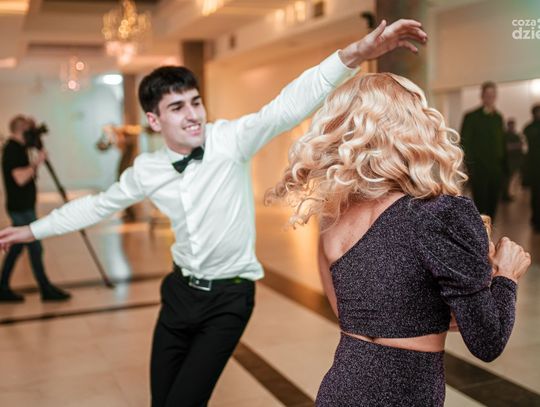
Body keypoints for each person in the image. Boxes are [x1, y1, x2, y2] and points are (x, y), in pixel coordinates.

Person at [0, 19, 428, 406]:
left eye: (195, 102)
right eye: (177, 108)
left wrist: (355, 54)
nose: (192, 116)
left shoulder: (229, 141)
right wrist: (32, 230)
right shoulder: (146, 169)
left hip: (229, 299)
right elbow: (98, 205)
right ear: (154, 120)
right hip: (178, 294)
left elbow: (288, 105)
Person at [266, 73, 531, 406]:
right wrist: (506, 276)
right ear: (415, 128)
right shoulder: (440, 213)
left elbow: (363, 314)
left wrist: (437, 311)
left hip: (341, 389)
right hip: (405, 396)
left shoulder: (332, 216)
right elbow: (488, 342)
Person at [0, 115, 71, 302]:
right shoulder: (12, 150)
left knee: (17, 248)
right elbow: (20, 178)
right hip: (20, 208)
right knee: (35, 247)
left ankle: (3, 286)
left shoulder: (19, 148)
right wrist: (38, 161)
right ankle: (45, 288)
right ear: (21, 130)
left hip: (23, 206)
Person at [461, 81, 507, 218]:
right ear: (482, 96)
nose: (490, 97)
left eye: (493, 94)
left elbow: (502, 143)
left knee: (493, 205)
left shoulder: (498, 117)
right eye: (487, 94)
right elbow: (465, 143)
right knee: (480, 206)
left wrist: (504, 167)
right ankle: (481, 231)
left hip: (496, 170)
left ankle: (490, 230)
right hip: (479, 170)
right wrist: (470, 167)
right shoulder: (471, 117)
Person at [523, 104, 540, 232]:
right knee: (536, 195)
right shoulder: (529, 128)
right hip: (534, 166)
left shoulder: (529, 128)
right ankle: (536, 220)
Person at [501, 118, 525, 201]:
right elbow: (507, 147)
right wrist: (517, 145)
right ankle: (505, 195)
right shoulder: (505, 136)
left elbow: (520, 146)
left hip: (515, 161)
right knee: (506, 179)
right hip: (508, 161)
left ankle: (508, 194)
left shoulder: (516, 135)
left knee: (512, 179)